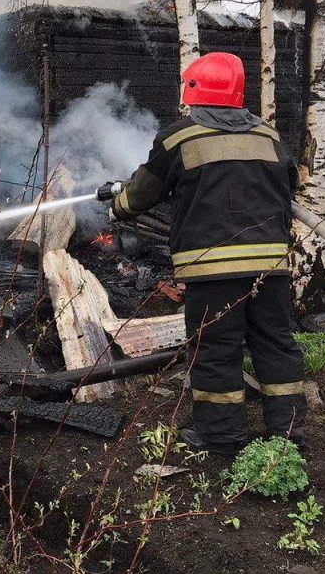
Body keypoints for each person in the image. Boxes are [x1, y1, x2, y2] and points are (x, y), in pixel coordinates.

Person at [110, 52, 305, 457]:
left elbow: (142, 194)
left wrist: (117, 205)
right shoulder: (269, 136)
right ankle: (287, 434)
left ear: (193, 89)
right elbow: (292, 185)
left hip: (212, 268)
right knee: (276, 344)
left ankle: (222, 438)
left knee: (216, 349)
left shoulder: (179, 137)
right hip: (271, 267)